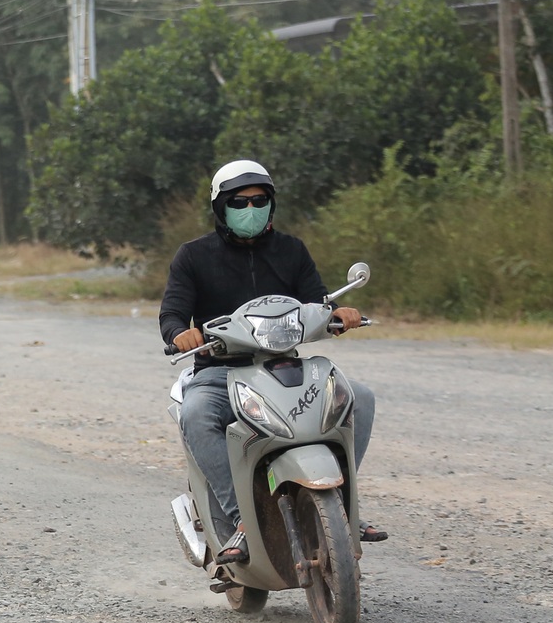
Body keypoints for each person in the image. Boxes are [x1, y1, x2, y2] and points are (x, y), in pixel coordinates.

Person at [159, 160, 385, 564]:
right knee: (195, 414)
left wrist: (338, 315)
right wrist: (180, 333)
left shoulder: (291, 250)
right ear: (221, 208)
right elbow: (172, 313)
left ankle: (344, 505)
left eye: (259, 200)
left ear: (271, 204)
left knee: (359, 398)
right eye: (240, 202)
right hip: (220, 373)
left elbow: (316, 304)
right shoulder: (193, 257)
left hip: (283, 367)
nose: (251, 209)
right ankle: (241, 518)